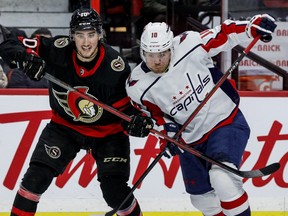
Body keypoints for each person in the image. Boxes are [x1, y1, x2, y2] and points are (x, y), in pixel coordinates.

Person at [0, 8, 153, 216]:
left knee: (115, 192)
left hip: (108, 133)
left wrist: (137, 122)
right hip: (65, 127)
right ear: (72, 36)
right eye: (80, 35)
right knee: (34, 180)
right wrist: (25, 59)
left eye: (91, 34)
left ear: (100, 35)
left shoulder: (115, 68)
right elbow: (9, 43)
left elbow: (131, 109)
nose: (86, 42)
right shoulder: (56, 49)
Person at [124, 14, 276, 216]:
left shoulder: (190, 44)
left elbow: (224, 33)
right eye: (151, 55)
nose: (157, 60)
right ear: (142, 52)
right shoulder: (136, 85)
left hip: (224, 122)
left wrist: (252, 26)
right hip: (189, 141)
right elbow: (154, 116)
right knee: (202, 200)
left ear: (171, 47)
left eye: (162, 53)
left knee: (223, 181)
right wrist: (166, 131)